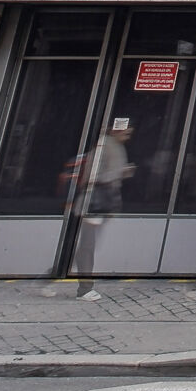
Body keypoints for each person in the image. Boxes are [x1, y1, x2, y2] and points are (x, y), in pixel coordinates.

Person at [73, 118, 135, 300]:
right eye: (126, 132)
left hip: (100, 203)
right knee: (87, 246)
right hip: (94, 202)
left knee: (86, 247)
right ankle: (84, 289)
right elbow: (94, 175)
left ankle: (51, 277)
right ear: (116, 130)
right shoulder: (106, 145)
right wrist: (120, 172)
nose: (128, 136)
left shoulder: (113, 145)